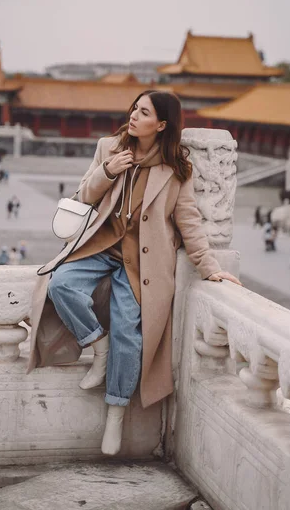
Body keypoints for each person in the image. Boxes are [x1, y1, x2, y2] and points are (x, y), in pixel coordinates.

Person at [27, 90, 241, 456]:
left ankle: (116, 413)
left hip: (145, 264)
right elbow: (82, 197)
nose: (134, 116)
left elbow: (188, 221)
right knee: (60, 284)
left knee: (130, 331)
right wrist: (107, 171)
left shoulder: (176, 168)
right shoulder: (109, 148)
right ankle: (98, 345)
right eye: (134, 109)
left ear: (161, 125)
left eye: (144, 113)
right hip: (102, 247)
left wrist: (210, 268)